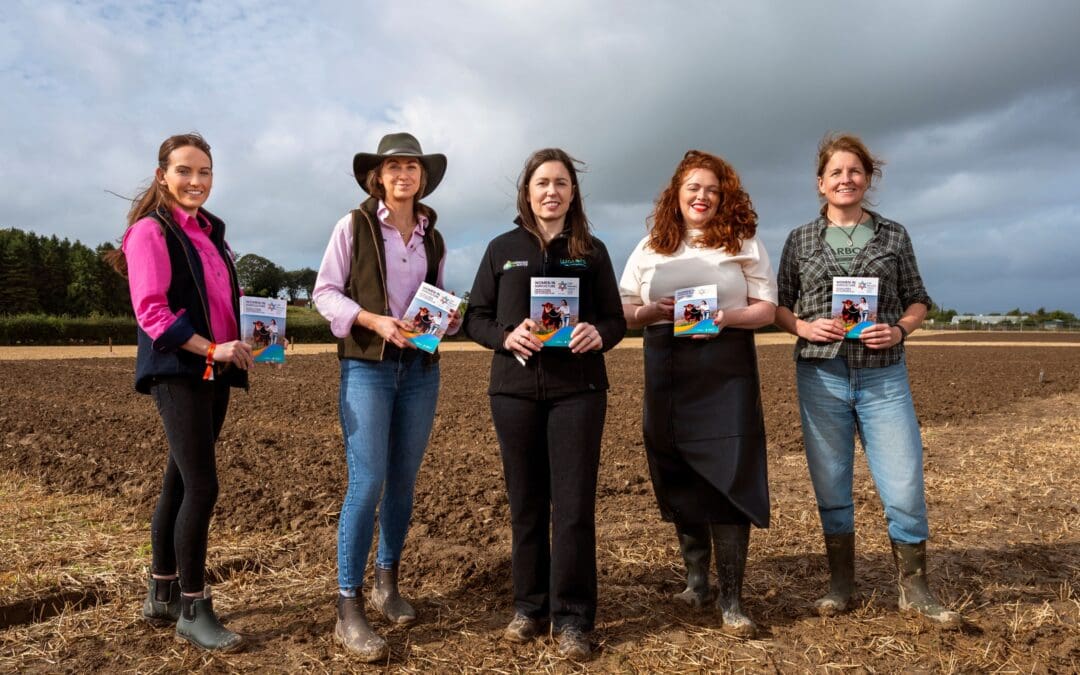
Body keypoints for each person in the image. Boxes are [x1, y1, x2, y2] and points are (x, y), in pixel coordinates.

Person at [774, 132, 962, 628]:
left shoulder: (894, 235)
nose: (845, 179)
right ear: (821, 183)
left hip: (883, 376)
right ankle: (842, 585)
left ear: (868, 179)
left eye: (854, 171)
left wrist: (899, 328)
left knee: (903, 482)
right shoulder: (799, 239)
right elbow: (780, 304)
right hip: (821, 373)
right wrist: (802, 325)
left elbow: (920, 297)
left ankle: (915, 589)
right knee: (832, 482)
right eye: (835, 172)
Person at [463, 148, 626, 660]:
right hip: (513, 393)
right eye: (542, 183)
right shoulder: (500, 248)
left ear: (573, 193)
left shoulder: (592, 250)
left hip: (578, 392)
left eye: (561, 183)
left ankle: (574, 618)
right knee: (526, 505)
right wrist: (506, 337)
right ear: (527, 192)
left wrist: (597, 333)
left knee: (574, 508)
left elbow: (616, 319)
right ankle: (529, 609)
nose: (551, 191)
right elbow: (476, 317)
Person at [619, 150, 776, 638]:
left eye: (711, 189)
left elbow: (767, 309)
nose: (702, 196)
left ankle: (732, 598)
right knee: (677, 467)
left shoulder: (744, 242)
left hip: (725, 368)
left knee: (730, 472)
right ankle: (696, 581)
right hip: (667, 365)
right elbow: (623, 308)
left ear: (723, 196)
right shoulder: (650, 246)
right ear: (677, 195)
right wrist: (651, 312)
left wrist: (725, 317)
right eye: (693, 188)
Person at [313, 132, 456, 661]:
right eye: (393, 167)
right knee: (368, 480)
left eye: (412, 168)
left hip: (420, 369)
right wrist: (371, 318)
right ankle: (347, 606)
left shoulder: (433, 237)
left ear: (422, 178)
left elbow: (436, 295)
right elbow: (324, 292)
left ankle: (387, 583)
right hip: (367, 368)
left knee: (402, 481)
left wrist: (448, 319)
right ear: (378, 177)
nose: (403, 175)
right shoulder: (352, 226)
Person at [106, 132, 253, 652]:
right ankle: (194, 606)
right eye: (185, 171)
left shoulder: (211, 233)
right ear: (161, 175)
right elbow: (152, 312)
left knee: (179, 480)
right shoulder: (151, 231)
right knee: (202, 486)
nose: (196, 181)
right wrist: (211, 349)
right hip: (178, 369)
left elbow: (220, 302)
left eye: (205, 172)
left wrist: (255, 338)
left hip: (212, 370)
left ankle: (162, 593)